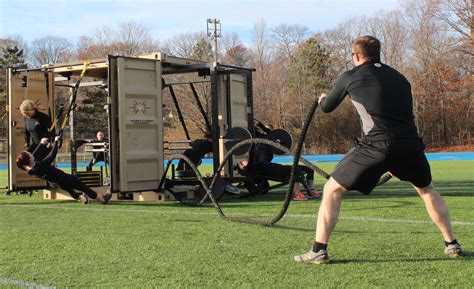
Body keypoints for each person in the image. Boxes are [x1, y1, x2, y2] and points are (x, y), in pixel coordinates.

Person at [294, 35, 463, 264]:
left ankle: (318, 250)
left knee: (332, 190)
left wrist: (323, 97)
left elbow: (327, 107)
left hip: (377, 146)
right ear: (378, 53)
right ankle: (451, 244)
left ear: (355, 56)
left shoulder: (350, 77)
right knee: (427, 190)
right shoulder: (400, 78)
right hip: (410, 144)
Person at [15, 136, 112, 205]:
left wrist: (41, 144)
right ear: (29, 160)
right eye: (29, 154)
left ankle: (81, 198)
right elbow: (51, 156)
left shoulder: (30, 169)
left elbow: (34, 155)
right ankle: (102, 199)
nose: (31, 154)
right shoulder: (39, 167)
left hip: (55, 182)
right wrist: (56, 142)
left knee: (70, 190)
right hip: (62, 178)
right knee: (82, 186)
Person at [252, 120, 320, 200]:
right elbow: (255, 130)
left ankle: (310, 190)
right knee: (295, 170)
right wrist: (257, 124)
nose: (267, 133)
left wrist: (261, 125)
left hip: (271, 166)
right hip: (261, 166)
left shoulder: (273, 141)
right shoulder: (259, 138)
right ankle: (297, 193)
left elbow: (270, 133)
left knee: (309, 170)